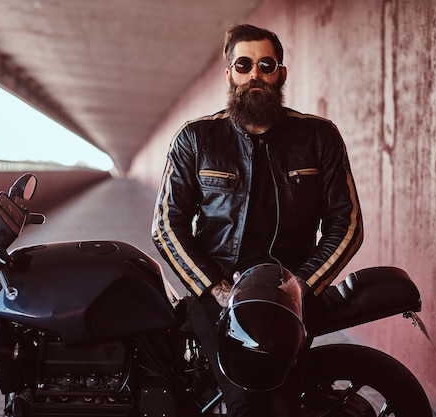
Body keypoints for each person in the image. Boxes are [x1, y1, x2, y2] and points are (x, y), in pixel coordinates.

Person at [152, 24, 364, 416]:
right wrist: (214, 289)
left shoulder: (319, 136)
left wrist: (302, 285)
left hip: (291, 289)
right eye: (244, 64)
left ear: (281, 73)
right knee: (245, 401)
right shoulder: (196, 138)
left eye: (266, 65)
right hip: (220, 286)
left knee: (283, 402)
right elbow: (167, 225)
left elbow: (346, 223)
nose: (255, 74)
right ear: (229, 72)